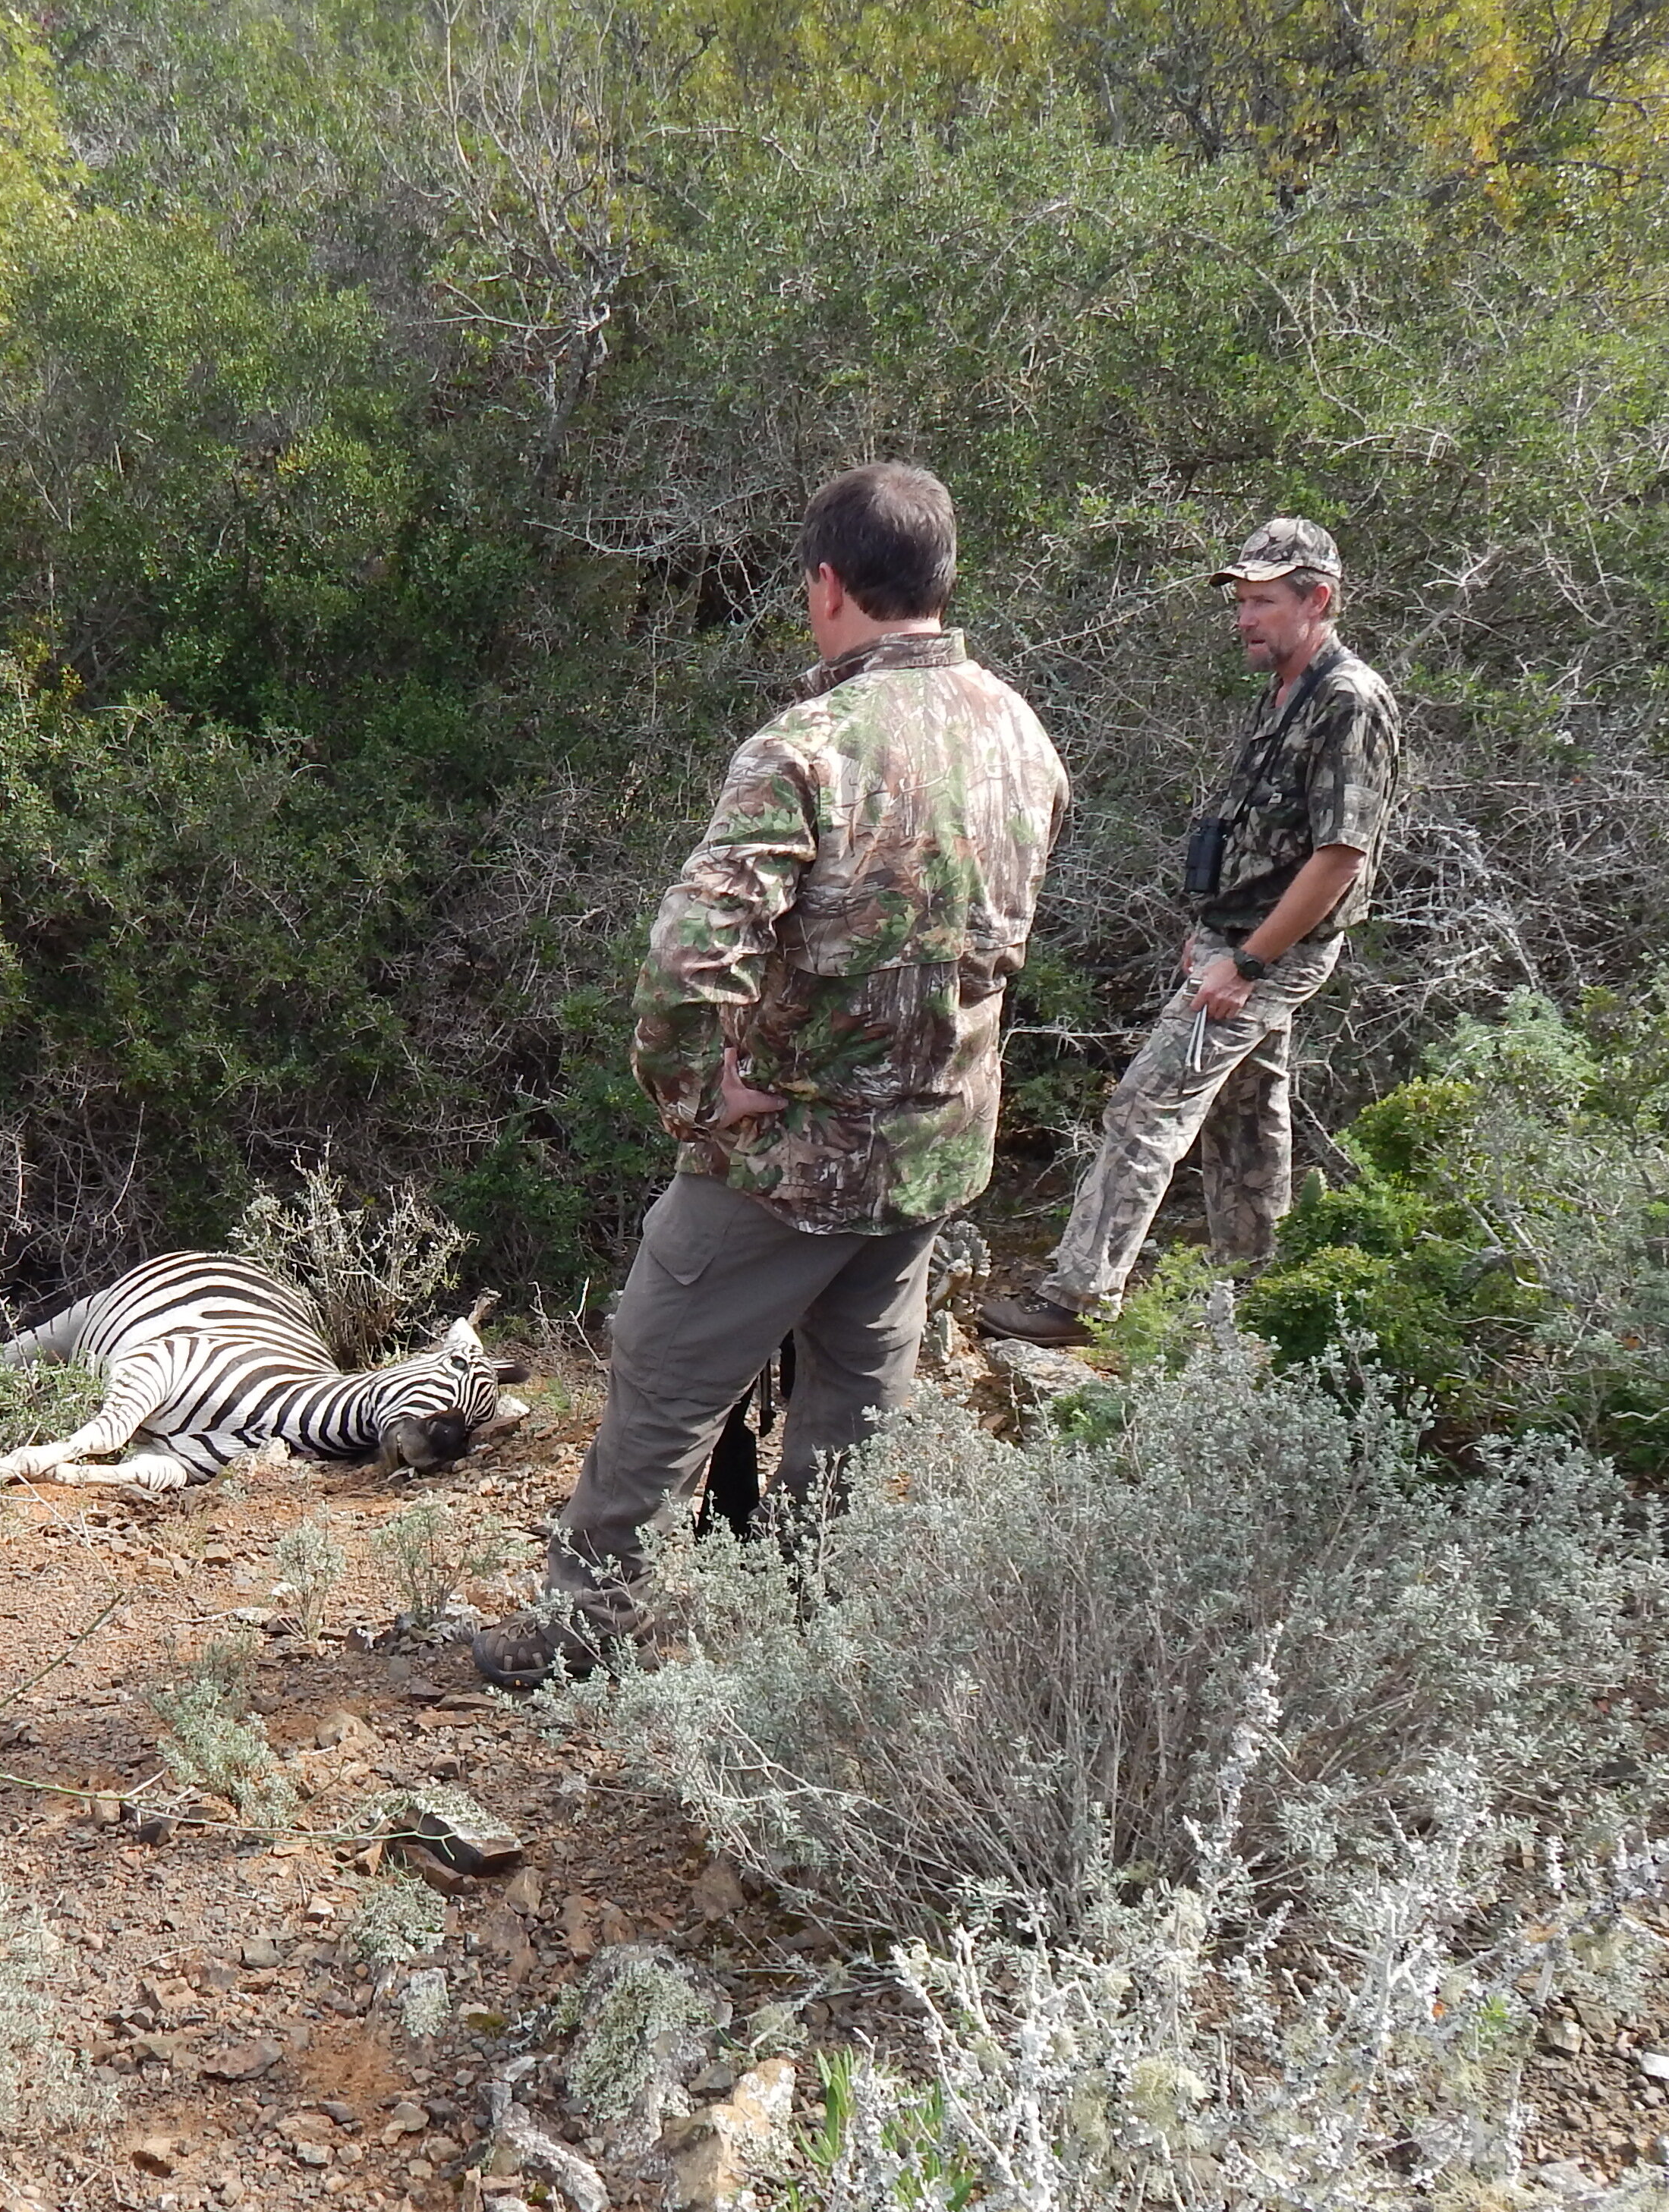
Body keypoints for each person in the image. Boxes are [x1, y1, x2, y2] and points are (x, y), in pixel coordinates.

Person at [472, 461, 1070, 1689]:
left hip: (788, 1157)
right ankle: (811, 1640)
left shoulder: (811, 745)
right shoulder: (1018, 731)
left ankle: (585, 1632)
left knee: (661, 1370)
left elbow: (689, 961)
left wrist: (695, 1095)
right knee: (854, 1404)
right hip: (932, 1152)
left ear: (827, 586)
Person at [978, 515, 1402, 1345]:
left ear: (1318, 599)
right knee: (1248, 1118)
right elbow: (1264, 836)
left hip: (1270, 953)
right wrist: (1213, 932)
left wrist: (1245, 961)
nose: (1244, 617)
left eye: (1263, 601)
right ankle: (1265, 1297)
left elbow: (1341, 856)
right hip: (1238, 939)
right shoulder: (1288, 689)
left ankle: (1076, 1301)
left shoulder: (1350, 701)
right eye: (1240, 601)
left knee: (1146, 1106)